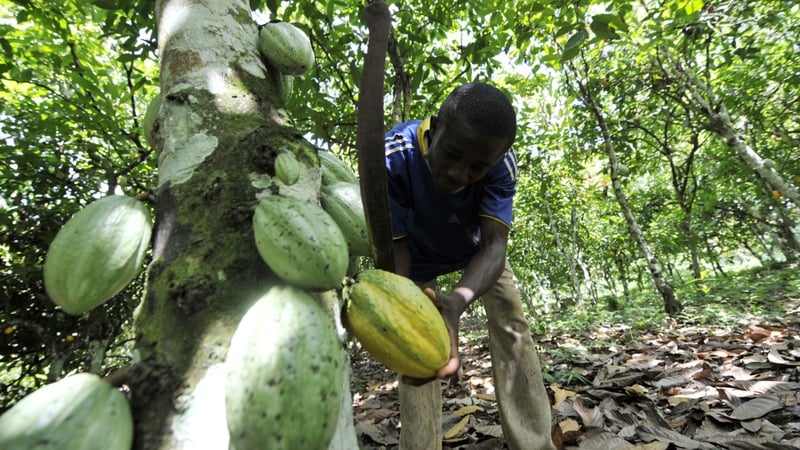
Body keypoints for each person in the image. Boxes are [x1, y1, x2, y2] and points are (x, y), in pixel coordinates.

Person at [384, 82, 556, 450]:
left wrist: (456, 303)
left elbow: (495, 246)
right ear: (435, 127)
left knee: (511, 321)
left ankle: (534, 443)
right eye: (451, 155)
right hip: (415, 258)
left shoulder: (501, 164)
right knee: (418, 351)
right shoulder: (393, 156)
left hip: (475, 254)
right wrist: (415, 311)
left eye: (477, 167)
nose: (459, 175)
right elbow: (394, 248)